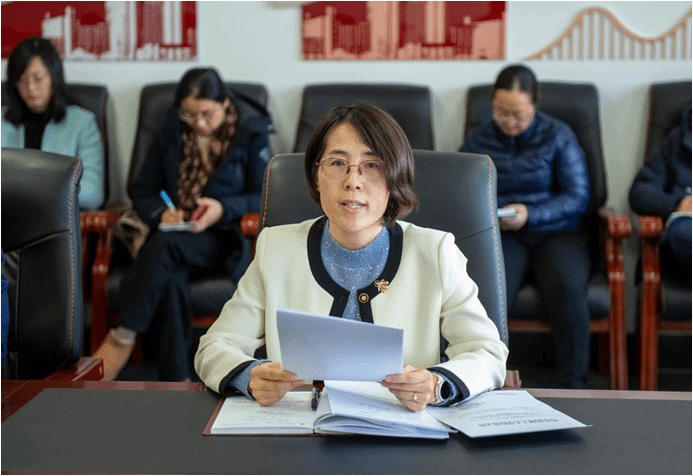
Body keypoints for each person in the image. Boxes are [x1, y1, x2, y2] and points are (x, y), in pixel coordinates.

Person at [195, 102, 508, 411]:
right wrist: (250, 376)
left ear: (395, 177)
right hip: (301, 429)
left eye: (372, 166)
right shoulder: (275, 249)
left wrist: (437, 384)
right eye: (337, 163)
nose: (353, 181)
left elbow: (487, 352)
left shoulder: (435, 252)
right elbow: (214, 347)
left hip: (402, 429)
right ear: (316, 175)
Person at [92, 67, 272, 381]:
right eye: (189, 115)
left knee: (165, 246)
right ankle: (177, 379)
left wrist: (222, 208)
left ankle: (123, 336)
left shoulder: (250, 131)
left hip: (223, 238)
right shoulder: (171, 129)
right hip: (174, 236)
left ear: (225, 104)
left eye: (206, 114)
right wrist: (162, 214)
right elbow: (142, 189)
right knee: (170, 276)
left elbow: (264, 194)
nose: (198, 123)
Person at [460, 64, 591, 389]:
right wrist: (495, 215)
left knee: (567, 285)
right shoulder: (478, 139)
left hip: (557, 232)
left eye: (518, 114)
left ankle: (573, 383)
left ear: (535, 104)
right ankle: (486, 378)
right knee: (490, 288)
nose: (509, 121)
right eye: (501, 112)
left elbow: (578, 196)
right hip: (503, 234)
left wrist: (531, 214)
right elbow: (462, 192)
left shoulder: (558, 135)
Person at [2, 37, 104, 210]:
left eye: (38, 78)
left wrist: (35, 191)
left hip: (58, 219)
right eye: (22, 79)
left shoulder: (82, 123)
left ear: (54, 76)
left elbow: (93, 193)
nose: (30, 87)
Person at [629, 100, 692, 271]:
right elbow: (640, 193)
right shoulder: (677, 140)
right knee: (683, 232)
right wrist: (678, 203)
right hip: (687, 228)